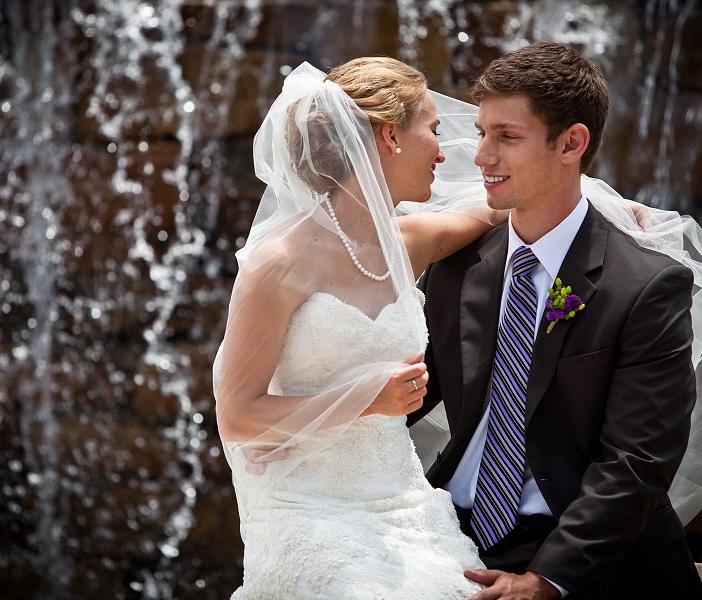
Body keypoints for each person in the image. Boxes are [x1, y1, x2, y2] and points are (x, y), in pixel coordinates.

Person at [408, 41, 702, 599]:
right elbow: (409, 396)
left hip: (580, 551)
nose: (481, 156)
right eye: (482, 132)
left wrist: (546, 581)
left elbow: (638, 459)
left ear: (571, 143)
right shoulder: (456, 267)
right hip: (449, 527)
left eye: (507, 137)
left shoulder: (645, 286)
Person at [212, 57, 501, 598]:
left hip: (401, 501)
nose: (444, 152)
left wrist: (607, 206)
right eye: (434, 130)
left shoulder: (408, 241)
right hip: (306, 505)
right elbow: (237, 415)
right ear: (390, 135)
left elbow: (501, 208)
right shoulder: (278, 263)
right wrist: (366, 397)